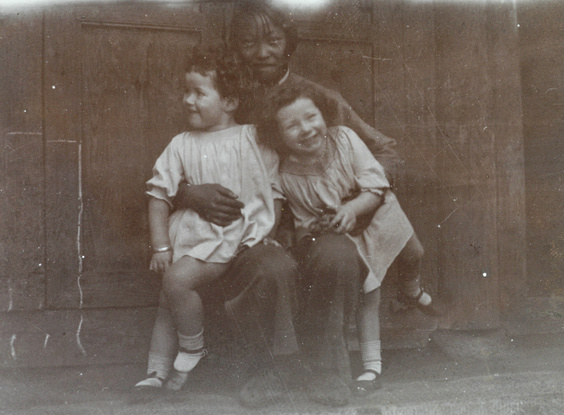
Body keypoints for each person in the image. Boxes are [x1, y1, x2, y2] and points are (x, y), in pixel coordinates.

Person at [174, 0, 438, 407]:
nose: (262, 52)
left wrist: (355, 200)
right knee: (270, 265)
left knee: (336, 255)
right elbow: (177, 161)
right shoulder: (226, 98)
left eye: (273, 41)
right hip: (256, 230)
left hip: (317, 222)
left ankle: (329, 371)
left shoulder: (316, 99)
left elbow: (384, 151)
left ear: (289, 44)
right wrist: (190, 193)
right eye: (248, 43)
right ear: (235, 47)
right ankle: (268, 371)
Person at [135, 47, 299, 408]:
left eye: (198, 92)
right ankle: (155, 373)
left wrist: (267, 231)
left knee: (176, 283)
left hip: (225, 239)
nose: (187, 100)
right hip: (189, 236)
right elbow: (158, 196)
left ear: (230, 101)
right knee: (168, 300)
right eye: (186, 91)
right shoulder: (180, 144)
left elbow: (273, 189)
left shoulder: (253, 139)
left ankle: (193, 349)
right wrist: (161, 247)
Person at [257, 83, 439, 405]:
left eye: (311, 117)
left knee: (414, 252)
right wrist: (324, 224)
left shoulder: (344, 139)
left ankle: (410, 290)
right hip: (345, 233)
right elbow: (302, 223)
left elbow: (375, 183)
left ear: (323, 115)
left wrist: (353, 208)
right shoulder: (286, 174)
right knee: (369, 290)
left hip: (375, 209)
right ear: (278, 135)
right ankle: (372, 367)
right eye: (292, 125)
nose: (306, 129)